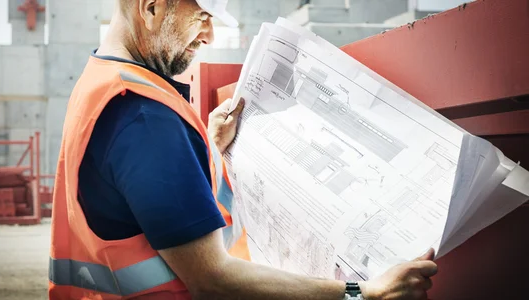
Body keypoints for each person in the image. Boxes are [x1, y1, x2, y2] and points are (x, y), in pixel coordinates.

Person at [48, 0, 439, 299]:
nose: (209, 36)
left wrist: (209, 149)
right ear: (151, 7)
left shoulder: (102, 79)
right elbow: (213, 280)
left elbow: (126, 197)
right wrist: (362, 293)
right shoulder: (144, 116)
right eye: (202, 16)